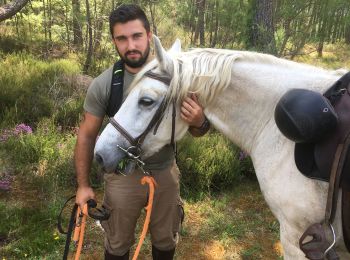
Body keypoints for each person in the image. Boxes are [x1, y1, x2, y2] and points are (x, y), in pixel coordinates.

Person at [74, 4, 210, 260]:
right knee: (117, 245)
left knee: (165, 241)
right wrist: (83, 185)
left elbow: (197, 131)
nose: (130, 45)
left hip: (165, 173)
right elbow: (87, 135)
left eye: (136, 36)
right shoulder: (105, 84)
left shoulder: (175, 76)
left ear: (149, 35)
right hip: (121, 179)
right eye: (122, 38)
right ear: (114, 41)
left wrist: (200, 121)